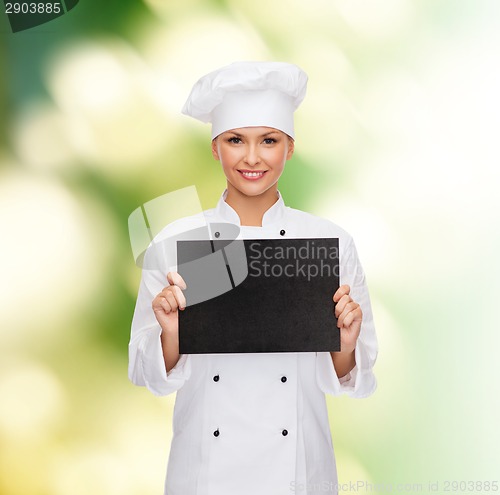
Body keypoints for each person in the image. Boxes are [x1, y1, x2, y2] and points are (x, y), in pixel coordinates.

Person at [128, 61, 378, 495]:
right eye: (235, 140)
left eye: (269, 140)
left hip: (299, 473)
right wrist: (171, 334)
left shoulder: (330, 241)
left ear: (290, 147)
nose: (252, 157)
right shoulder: (174, 243)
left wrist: (348, 341)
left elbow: (351, 380)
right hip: (206, 475)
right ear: (214, 148)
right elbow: (144, 373)